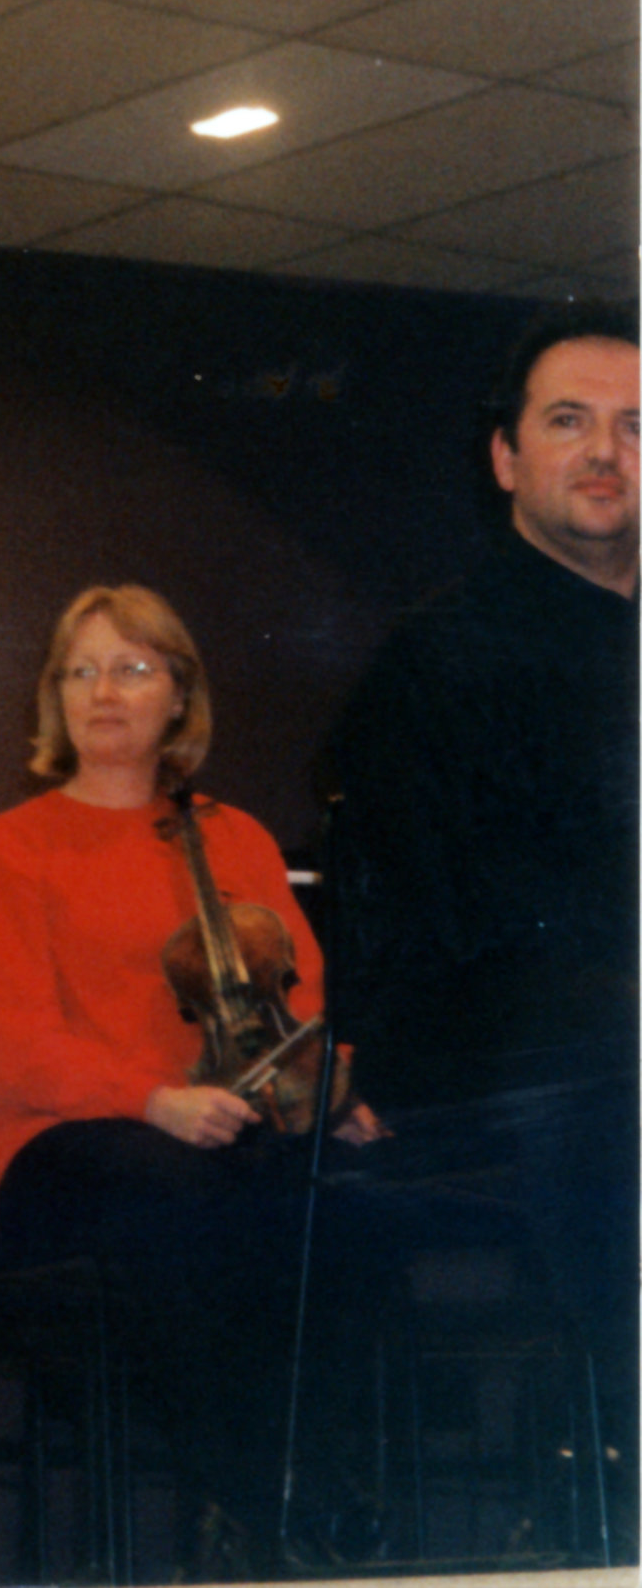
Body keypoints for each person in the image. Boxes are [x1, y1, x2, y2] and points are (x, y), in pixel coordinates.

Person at [0, 582, 380, 1575]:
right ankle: (280, 1498)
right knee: (185, 1194)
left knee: (330, 1202)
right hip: (63, 1142)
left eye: (131, 667)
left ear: (177, 697)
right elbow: (10, 1046)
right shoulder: (7, 847)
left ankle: (253, 1513)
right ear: (53, 695)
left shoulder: (230, 836)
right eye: (79, 669)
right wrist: (154, 1096)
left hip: (220, 1135)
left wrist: (339, 1093)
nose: (101, 690)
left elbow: (301, 1000)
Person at [321, 302, 639, 1548]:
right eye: (568, 421)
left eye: (632, 425)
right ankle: (602, 1506)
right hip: (472, 1039)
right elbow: (454, 916)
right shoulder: (434, 661)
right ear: (504, 455)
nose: (603, 450)